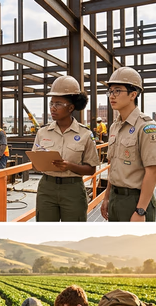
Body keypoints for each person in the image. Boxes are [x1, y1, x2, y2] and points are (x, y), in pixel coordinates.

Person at [101, 67, 156, 222]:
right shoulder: (115, 127)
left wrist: (141, 210)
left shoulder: (147, 127)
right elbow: (113, 166)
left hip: (136, 200)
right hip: (115, 198)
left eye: (117, 91)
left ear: (133, 94)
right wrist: (107, 197)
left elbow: (152, 171)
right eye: (110, 91)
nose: (112, 96)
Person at [33, 77, 99, 221]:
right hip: (47, 188)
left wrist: (69, 166)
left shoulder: (85, 134)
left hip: (72, 190)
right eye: (51, 103)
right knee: (45, 230)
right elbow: (35, 164)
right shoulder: (42, 132)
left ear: (70, 108)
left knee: (73, 230)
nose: (53, 108)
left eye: (58, 104)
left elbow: (91, 169)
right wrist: (40, 162)